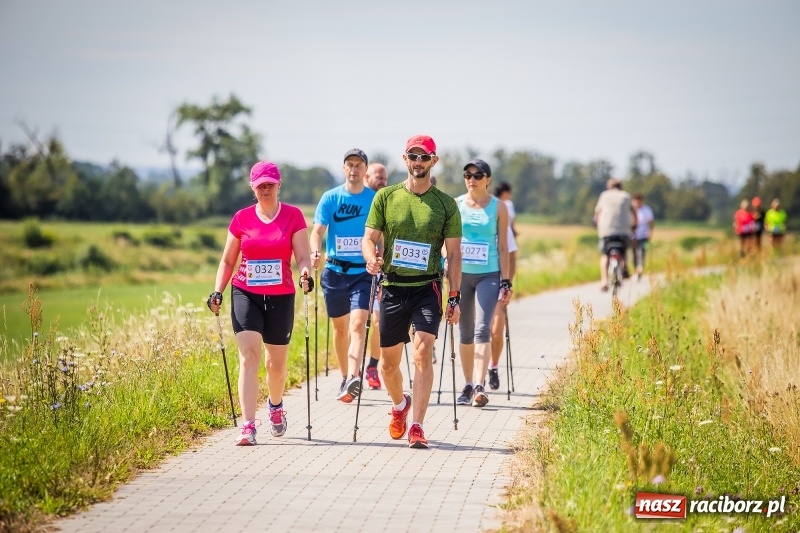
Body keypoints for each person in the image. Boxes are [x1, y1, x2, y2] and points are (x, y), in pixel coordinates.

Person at [362, 134, 462, 449]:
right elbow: (368, 238)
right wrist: (371, 259)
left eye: (424, 156)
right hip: (392, 287)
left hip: (427, 287)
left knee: (422, 354)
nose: (418, 162)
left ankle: (417, 425)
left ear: (434, 160)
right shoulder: (385, 197)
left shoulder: (445, 204)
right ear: (405, 160)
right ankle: (399, 405)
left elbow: (455, 255)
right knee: (388, 365)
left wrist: (454, 296)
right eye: (413, 156)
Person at [207, 161, 313, 446]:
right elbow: (228, 260)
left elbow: (303, 256)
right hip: (246, 293)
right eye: (260, 185)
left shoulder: (293, 216)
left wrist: (305, 273)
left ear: (279, 185)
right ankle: (248, 425)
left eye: (270, 184)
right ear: (252, 188)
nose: (265, 189)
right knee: (249, 357)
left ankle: (276, 406)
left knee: (275, 365)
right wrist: (218, 291)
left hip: (281, 296)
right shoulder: (241, 218)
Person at [310, 149, 376, 403]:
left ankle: (353, 378)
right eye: (350, 164)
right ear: (343, 168)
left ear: (365, 169)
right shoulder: (330, 198)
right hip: (335, 272)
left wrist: (378, 253)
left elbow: (379, 234)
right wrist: (316, 251)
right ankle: (344, 376)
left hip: (363, 272)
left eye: (359, 165)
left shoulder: (373, 199)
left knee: (358, 324)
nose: (354, 169)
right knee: (340, 330)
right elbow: (317, 232)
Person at [455, 160, 511, 408]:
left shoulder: (499, 207)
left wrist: (506, 281)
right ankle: (467, 384)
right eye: (467, 174)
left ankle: (479, 384)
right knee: (465, 331)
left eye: (477, 175)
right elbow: (450, 242)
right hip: (462, 274)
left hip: (489, 274)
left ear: (487, 179)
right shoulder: (456, 205)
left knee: (482, 329)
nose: (472, 179)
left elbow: (503, 246)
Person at [488, 182, 518, 391]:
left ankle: (493, 366)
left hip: (498, 282)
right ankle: (475, 379)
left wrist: (508, 282)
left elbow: (512, 256)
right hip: (474, 281)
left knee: (497, 330)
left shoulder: (505, 227)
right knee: (478, 332)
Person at [363, 162, 388, 389]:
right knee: (358, 323)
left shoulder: (387, 200)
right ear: (366, 176)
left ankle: (373, 365)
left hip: (378, 270)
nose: (382, 181)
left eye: (384, 178)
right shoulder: (362, 200)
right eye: (378, 177)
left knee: (378, 322)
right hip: (353, 268)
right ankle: (351, 372)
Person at [594, 178, 636, 291]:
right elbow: (634, 212)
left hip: (606, 231)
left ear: (609, 187)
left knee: (605, 255)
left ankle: (604, 281)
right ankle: (624, 269)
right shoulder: (626, 196)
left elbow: (597, 213)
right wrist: (634, 225)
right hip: (623, 231)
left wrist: (597, 225)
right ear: (621, 186)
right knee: (625, 252)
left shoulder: (604, 195)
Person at [631, 193, 655, 281]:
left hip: (643, 236)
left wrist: (650, 232)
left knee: (641, 253)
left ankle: (640, 271)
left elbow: (651, 222)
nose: (637, 203)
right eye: (636, 201)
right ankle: (636, 270)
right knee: (634, 254)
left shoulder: (646, 210)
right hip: (632, 236)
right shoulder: (630, 210)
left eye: (639, 201)